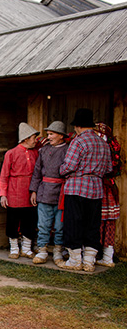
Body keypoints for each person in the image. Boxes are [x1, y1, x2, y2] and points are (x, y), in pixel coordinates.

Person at [59, 109, 112, 271]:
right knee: (92, 225)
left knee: (73, 223)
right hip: (96, 188)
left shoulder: (78, 142)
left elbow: (69, 165)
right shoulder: (103, 143)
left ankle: (75, 261)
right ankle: (89, 261)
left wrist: (61, 170)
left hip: (77, 187)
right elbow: (108, 168)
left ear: (78, 126)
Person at [29, 121, 69, 265]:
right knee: (43, 224)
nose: (49, 137)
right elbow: (37, 172)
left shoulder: (68, 150)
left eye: (52, 134)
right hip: (44, 191)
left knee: (60, 226)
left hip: (61, 193)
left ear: (61, 136)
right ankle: (42, 250)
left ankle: (58, 251)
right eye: (48, 134)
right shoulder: (44, 150)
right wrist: (34, 190)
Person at [0, 122, 39, 259]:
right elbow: (4, 176)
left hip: (29, 192)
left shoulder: (35, 153)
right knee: (13, 221)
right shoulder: (11, 153)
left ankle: (26, 249)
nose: (35, 140)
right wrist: (3, 194)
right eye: (33, 138)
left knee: (30, 220)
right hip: (14, 193)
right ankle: (14, 248)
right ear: (26, 138)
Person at [93, 122, 121, 268]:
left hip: (100, 188)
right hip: (108, 188)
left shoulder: (102, 148)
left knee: (97, 222)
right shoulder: (111, 147)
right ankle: (106, 256)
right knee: (106, 223)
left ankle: (99, 256)